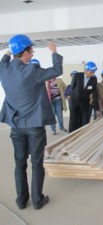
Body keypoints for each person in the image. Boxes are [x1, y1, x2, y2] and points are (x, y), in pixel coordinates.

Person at [0, 34, 63, 209]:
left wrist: (8, 52)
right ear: (26, 52)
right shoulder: (32, 71)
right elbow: (57, 70)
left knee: (19, 163)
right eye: (31, 51)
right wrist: (54, 51)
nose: (33, 54)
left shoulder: (3, 70)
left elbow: (4, 59)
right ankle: (37, 200)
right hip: (34, 125)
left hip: (16, 127)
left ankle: (21, 201)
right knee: (36, 163)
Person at [68, 61, 100, 133]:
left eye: (93, 72)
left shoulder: (94, 79)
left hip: (84, 104)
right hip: (74, 103)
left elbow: (95, 94)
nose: (92, 74)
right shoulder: (77, 76)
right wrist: (71, 102)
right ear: (86, 70)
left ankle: (81, 136)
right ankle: (71, 137)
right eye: (91, 72)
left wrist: (97, 109)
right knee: (73, 121)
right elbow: (72, 88)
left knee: (84, 121)